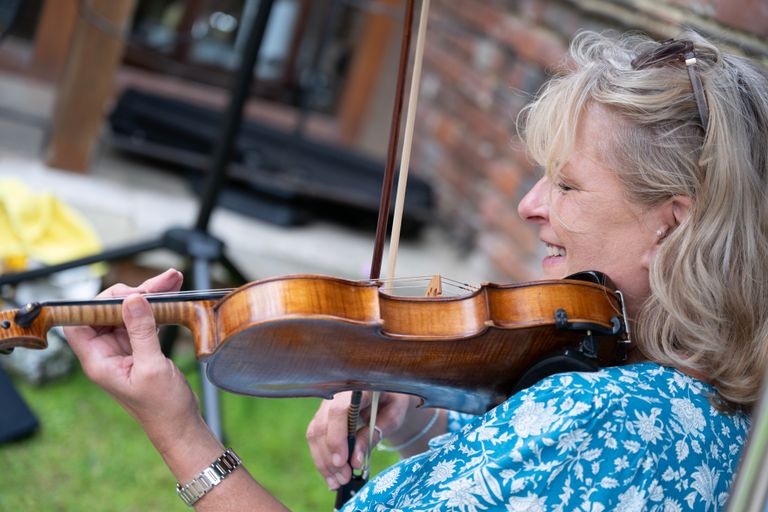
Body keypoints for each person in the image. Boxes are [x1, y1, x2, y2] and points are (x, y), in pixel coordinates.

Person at [65, 29, 768, 511]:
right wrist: (416, 425)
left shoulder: (603, 413)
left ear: (671, 223)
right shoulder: (682, 399)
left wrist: (179, 431)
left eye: (568, 185)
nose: (529, 205)